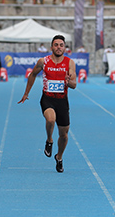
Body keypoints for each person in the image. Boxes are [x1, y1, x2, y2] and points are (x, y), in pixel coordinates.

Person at [18, 35, 76, 173]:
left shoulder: (69, 63)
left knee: (64, 135)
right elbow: (32, 75)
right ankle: (49, 140)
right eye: (56, 45)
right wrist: (26, 93)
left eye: (61, 45)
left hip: (62, 101)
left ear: (64, 48)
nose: (58, 47)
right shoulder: (43, 61)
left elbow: (74, 85)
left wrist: (68, 82)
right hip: (47, 99)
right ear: (51, 47)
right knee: (50, 119)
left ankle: (59, 157)